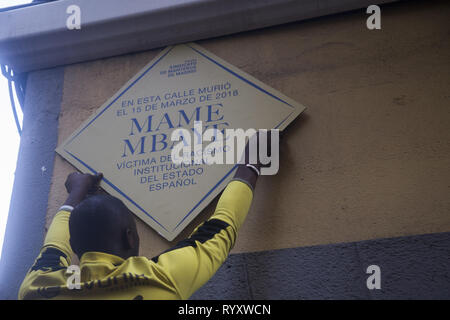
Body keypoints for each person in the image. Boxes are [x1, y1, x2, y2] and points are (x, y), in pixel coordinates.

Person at [18, 134, 272, 299]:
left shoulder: (37, 287)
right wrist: (251, 164)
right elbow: (221, 227)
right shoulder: (161, 277)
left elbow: (53, 247)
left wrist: (76, 192)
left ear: (75, 246)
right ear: (130, 238)